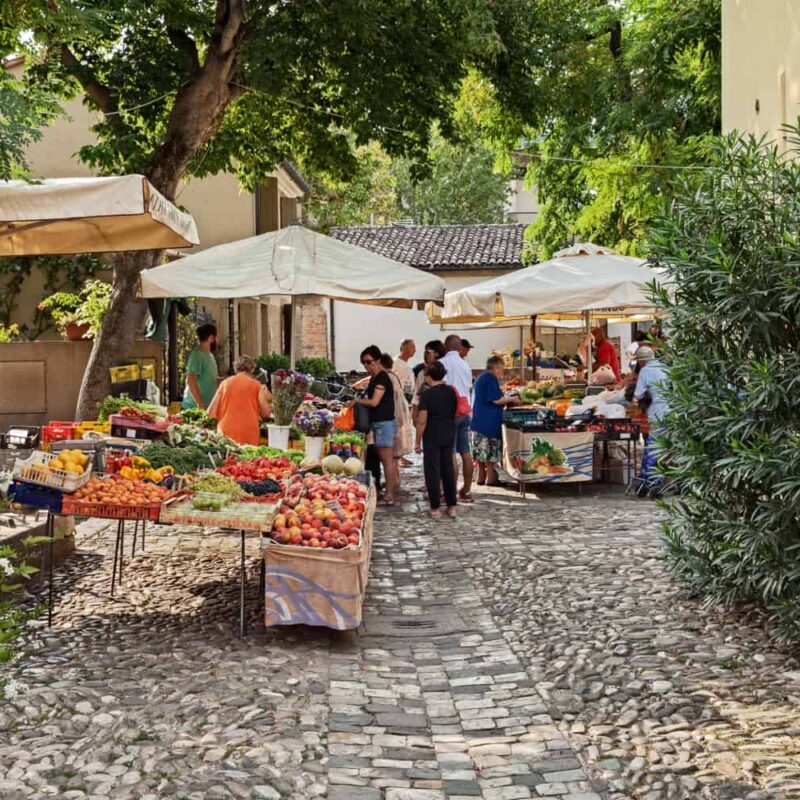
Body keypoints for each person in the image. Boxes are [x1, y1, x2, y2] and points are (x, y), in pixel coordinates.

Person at [354, 345, 398, 506]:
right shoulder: (374, 378)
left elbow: (374, 402)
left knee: (387, 460)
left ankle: (390, 494)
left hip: (384, 423)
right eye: (364, 363)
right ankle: (387, 492)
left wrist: (357, 401)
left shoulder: (381, 378)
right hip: (379, 423)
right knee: (383, 459)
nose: (366, 366)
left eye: (369, 362)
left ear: (378, 360)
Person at [415, 362, 457, 519]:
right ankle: (452, 507)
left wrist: (417, 441)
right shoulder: (451, 392)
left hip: (432, 435)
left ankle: (435, 509)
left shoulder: (427, 395)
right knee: (447, 469)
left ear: (428, 376)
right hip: (449, 433)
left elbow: (421, 421)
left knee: (432, 471)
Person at [471, 355, 521, 486]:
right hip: (488, 422)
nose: (502, 372)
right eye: (502, 369)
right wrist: (512, 400)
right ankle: (491, 478)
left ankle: (481, 477)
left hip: (479, 421)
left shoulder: (481, 377)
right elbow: (496, 399)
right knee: (489, 452)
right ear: (496, 368)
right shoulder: (490, 378)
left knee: (481, 453)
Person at [207, 355, 272, 445]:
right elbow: (266, 413)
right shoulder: (256, 385)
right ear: (252, 369)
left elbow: (210, 411)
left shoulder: (224, 384)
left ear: (235, 369)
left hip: (225, 432)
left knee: (228, 458)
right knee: (247, 458)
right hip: (249, 432)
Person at [440, 334, 475, 503]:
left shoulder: (442, 363)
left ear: (446, 346)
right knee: (466, 452)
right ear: (459, 347)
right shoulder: (465, 365)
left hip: (449, 413)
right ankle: (467, 490)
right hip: (465, 411)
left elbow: (441, 387)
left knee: (451, 453)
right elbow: (468, 387)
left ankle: (451, 491)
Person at [633, 345, 669, 490]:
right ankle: (659, 479)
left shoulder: (645, 371)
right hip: (673, 413)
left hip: (657, 414)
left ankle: (653, 481)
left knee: (653, 446)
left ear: (642, 361)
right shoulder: (666, 368)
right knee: (666, 448)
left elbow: (638, 395)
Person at [380, 353, 413, 480]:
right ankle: (396, 478)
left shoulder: (387, 377)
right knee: (394, 454)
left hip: (392, 418)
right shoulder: (393, 376)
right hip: (398, 417)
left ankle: (393, 480)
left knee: (391, 455)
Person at [182, 323, 219, 410]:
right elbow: (191, 381)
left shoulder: (210, 356)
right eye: (217, 337)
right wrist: (200, 404)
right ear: (211, 338)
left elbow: (212, 378)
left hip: (208, 406)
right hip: (194, 408)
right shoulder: (197, 355)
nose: (218, 340)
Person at [412, 340, 445, 422]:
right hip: (428, 415)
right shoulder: (421, 371)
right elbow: (416, 396)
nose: (425, 354)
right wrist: (414, 415)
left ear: (437, 353)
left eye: (427, 352)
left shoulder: (446, 370)